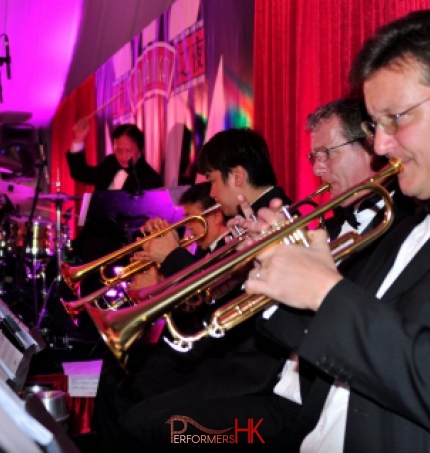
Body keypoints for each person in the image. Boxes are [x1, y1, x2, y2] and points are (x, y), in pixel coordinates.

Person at [123, 97, 416, 451]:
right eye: (314, 157)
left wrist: (274, 268)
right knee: (147, 419)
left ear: (371, 149)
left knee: (161, 428)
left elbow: (353, 331)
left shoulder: (393, 227)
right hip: (273, 385)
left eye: (327, 154)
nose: (318, 170)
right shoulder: (332, 221)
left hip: (291, 401)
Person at [242, 10, 430, 453]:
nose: (380, 146)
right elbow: (353, 342)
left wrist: (327, 291)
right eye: (374, 126)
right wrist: (276, 276)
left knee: (166, 427)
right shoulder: (408, 228)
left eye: (396, 118)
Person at [66, 118, 162, 192]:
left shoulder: (151, 179)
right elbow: (81, 173)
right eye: (119, 150)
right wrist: (79, 139)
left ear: (140, 149)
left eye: (129, 151)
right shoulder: (110, 162)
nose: (123, 156)